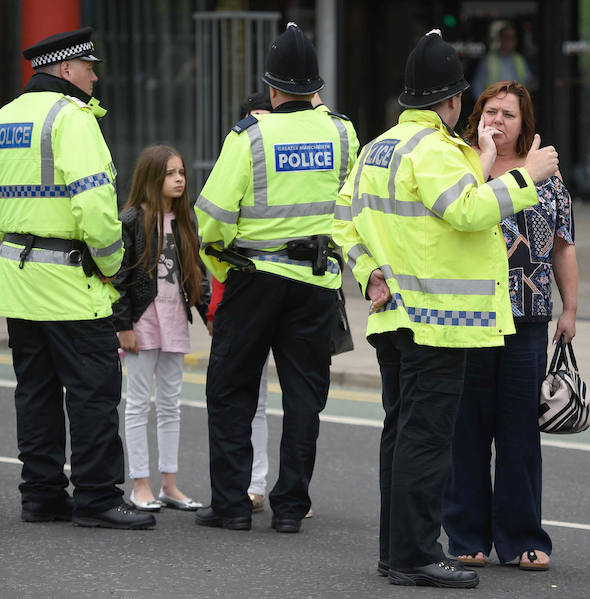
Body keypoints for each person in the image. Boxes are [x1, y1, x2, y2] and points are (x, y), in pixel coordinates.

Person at [332, 29, 560, 588]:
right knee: (426, 442)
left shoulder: (375, 150)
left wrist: (368, 274)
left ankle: (397, 552)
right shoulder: (431, 149)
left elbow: (342, 221)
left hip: (394, 318)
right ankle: (414, 555)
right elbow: (465, 210)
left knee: (400, 435)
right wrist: (525, 178)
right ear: (453, 100)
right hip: (438, 323)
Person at [0, 27, 154, 529]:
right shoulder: (73, 119)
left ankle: (42, 495)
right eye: (89, 67)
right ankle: (96, 499)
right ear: (66, 70)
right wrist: (115, 267)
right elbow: (94, 205)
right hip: (74, 287)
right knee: (93, 394)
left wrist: (26, 230)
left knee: (36, 392)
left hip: (18, 282)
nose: (95, 76)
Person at [194, 22, 359, 534]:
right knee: (305, 396)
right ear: (316, 89)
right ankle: (290, 509)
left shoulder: (250, 136)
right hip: (317, 283)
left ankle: (232, 507)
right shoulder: (341, 131)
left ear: (271, 88)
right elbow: (356, 204)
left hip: (255, 278)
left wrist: (225, 267)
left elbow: (212, 219)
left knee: (231, 390)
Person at [441, 81, 577, 572]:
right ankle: (466, 535)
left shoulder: (547, 176)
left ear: (526, 124)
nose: (498, 121)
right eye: (490, 112)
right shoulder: (460, 164)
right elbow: (454, 220)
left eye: (509, 115)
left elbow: (563, 245)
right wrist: (480, 155)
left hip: (528, 318)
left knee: (520, 432)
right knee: (468, 430)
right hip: (471, 316)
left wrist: (570, 310)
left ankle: (522, 537)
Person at [112, 145, 210, 512]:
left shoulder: (185, 219)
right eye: (171, 173)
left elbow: (194, 274)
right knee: (138, 405)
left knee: (171, 405)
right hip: (142, 321)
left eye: (181, 172)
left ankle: (169, 484)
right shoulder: (132, 219)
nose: (180, 178)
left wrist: (207, 313)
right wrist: (123, 326)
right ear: (153, 177)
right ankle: (141, 484)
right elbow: (119, 278)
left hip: (173, 320)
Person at [206, 92, 274, 515]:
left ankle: (260, 485)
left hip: (276, 287)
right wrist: (215, 307)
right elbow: (214, 241)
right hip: (239, 290)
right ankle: (247, 485)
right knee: (244, 396)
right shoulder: (238, 158)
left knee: (264, 400)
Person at [471, 21, 534, 100]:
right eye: (506, 36)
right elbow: (477, 87)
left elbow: (529, 84)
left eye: (512, 37)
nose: (510, 40)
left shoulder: (520, 60)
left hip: (515, 107)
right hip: (495, 107)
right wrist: (486, 106)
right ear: (500, 39)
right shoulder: (489, 60)